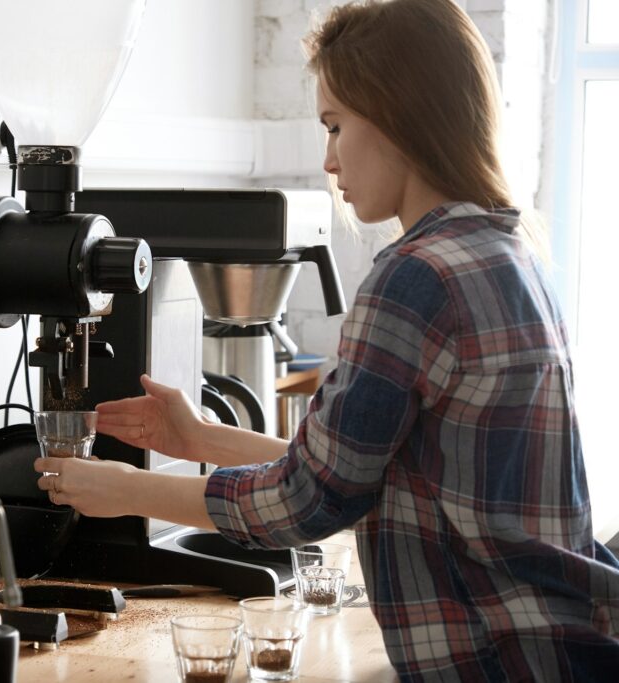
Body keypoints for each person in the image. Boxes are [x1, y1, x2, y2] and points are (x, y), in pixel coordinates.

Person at [33, 0, 619, 679]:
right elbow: (375, 475)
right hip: (569, 647)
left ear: (400, 114)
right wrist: (199, 440)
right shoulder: (511, 252)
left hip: (503, 661)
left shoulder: (415, 278)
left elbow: (309, 500)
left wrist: (128, 490)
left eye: (337, 126)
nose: (330, 160)